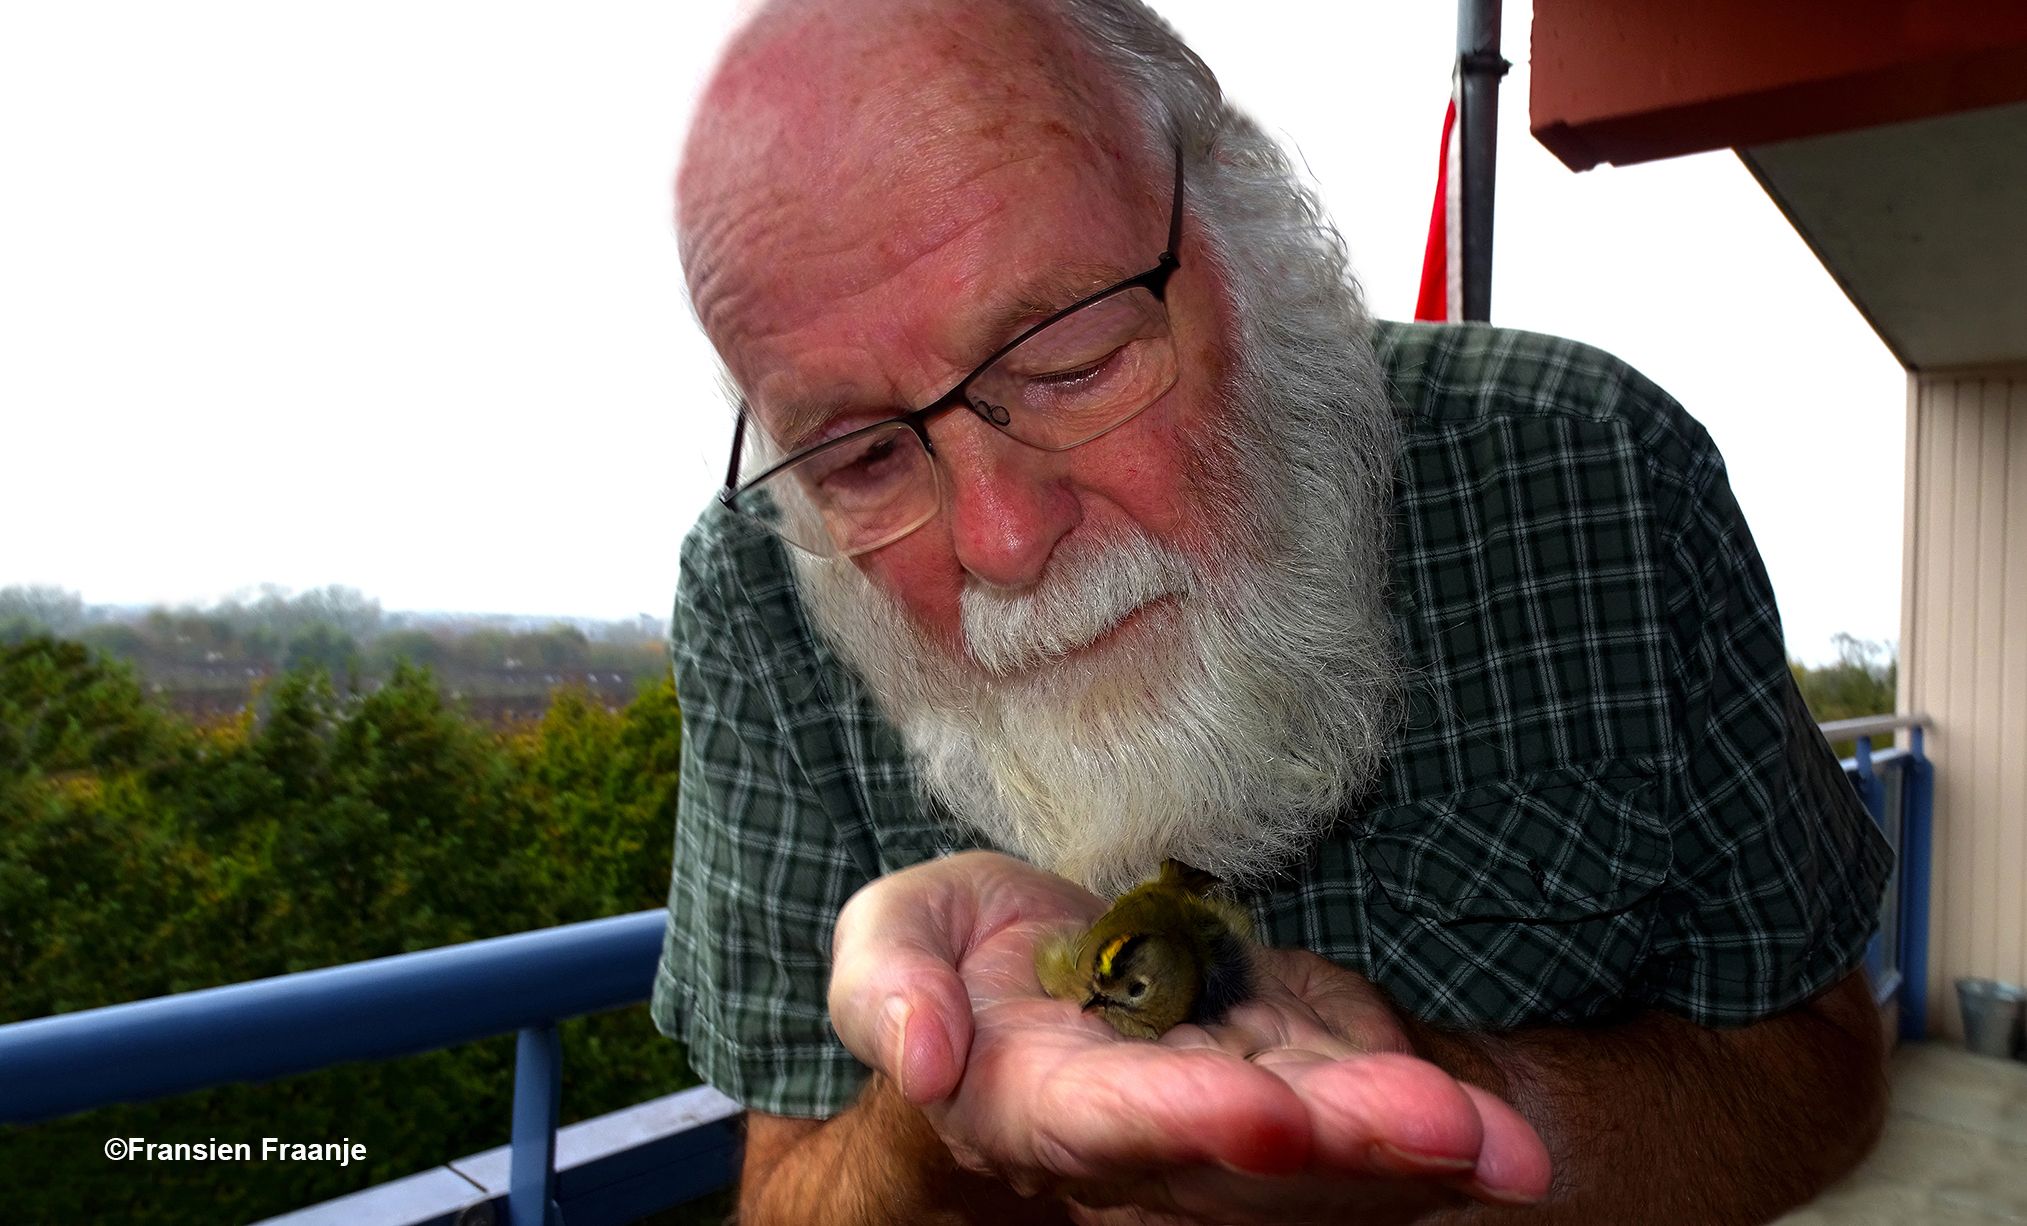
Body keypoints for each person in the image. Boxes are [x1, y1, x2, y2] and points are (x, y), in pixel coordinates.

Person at [650, 0, 1896, 1221]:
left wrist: (1444, 1117)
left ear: (1248, 229)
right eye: (862, 459)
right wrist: (950, 1105)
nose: (1003, 541)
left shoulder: (1599, 474)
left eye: (1073, 359)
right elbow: (790, 1186)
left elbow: (1821, 1063)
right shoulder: (761, 600)